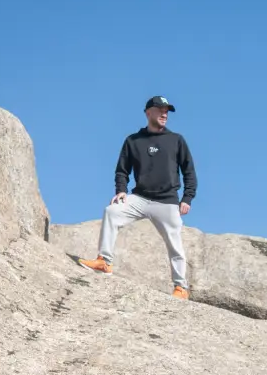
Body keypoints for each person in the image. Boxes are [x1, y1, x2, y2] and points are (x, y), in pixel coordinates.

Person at [79, 95, 197, 299]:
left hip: (167, 201)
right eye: (160, 110)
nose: (164, 114)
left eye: (167, 111)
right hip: (140, 198)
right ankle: (104, 262)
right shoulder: (133, 141)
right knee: (112, 212)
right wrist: (121, 190)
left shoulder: (176, 140)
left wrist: (187, 198)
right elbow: (121, 170)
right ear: (148, 112)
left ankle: (181, 287)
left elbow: (189, 172)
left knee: (175, 242)